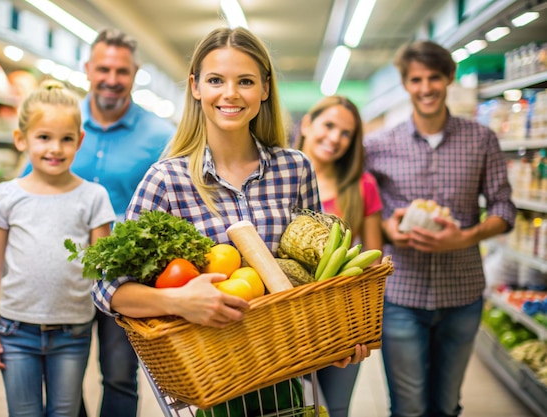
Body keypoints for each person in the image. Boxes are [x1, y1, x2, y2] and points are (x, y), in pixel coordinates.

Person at [92, 25, 370, 365]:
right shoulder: (166, 179)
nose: (231, 93)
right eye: (215, 80)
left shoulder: (295, 169)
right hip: (212, 371)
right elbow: (108, 289)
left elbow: (317, 273)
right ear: (195, 86)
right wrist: (179, 301)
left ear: (265, 89)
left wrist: (334, 338)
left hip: (290, 362)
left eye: (246, 81)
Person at [23, 28, 176, 417]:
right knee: (63, 376)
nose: (111, 79)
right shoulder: (61, 121)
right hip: (63, 275)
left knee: (121, 374)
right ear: (88, 69)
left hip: (126, 279)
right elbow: (29, 185)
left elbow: (174, 205)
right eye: (103, 68)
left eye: (121, 71)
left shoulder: (160, 136)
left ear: (134, 73)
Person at [364, 40, 516, 417]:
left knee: (447, 406)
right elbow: (365, 211)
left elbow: (504, 208)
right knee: (408, 407)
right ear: (405, 84)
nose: (426, 87)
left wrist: (465, 236)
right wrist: (387, 230)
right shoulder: (379, 145)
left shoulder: (481, 140)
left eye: (434, 77)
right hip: (401, 294)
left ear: (450, 77)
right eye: (416, 79)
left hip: (461, 294)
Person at [0, 80, 116, 417]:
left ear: (79, 141)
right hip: (15, 330)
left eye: (66, 138)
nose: (55, 148)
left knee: (65, 413)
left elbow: (103, 269)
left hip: (73, 331)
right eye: (44, 137)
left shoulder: (93, 198)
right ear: (21, 139)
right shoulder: (8, 195)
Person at [297, 95, 383, 417]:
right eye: (328, 125)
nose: (335, 138)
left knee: (334, 409)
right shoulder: (277, 179)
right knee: (286, 407)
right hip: (283, 318)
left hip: (340, 321)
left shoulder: (361, 186)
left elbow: (375, 262)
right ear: (307, 123)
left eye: (346, 133)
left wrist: (362, 325)